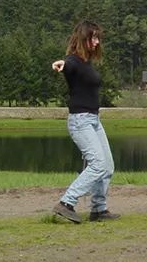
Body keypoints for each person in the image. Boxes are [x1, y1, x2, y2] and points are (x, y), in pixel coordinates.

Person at [51, 20, 120, 223]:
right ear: (84, 38)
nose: (97, 42)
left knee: (107, 166)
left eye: (98, 38)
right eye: (94, 38)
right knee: (97, 164)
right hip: (80, 121)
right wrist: (61, 65)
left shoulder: (86, 62)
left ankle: (98, 210)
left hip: (94, 120)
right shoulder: (72, 61)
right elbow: (67, 65)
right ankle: (66, 203)